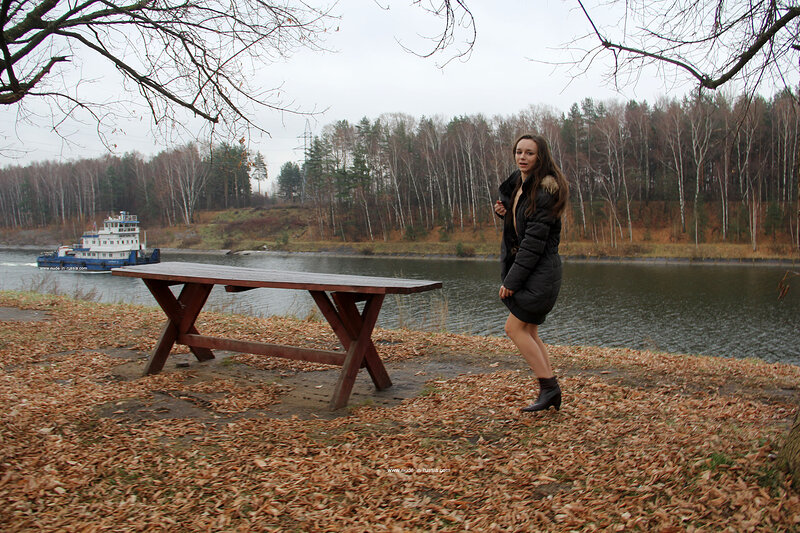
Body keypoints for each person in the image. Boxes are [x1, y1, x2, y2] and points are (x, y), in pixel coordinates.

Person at [494, 134, 569, 412]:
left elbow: (533, 245)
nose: (522, 157)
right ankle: (551, 390)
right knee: (529, 330)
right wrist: (505, 213)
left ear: (541, 157)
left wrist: (511, 282)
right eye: (519, 152)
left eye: (530, 153)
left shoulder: (544, 192)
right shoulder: (522, 185)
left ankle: (549, 388)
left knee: (514, 328)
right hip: (535, 272)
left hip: (541, 274)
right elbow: (523, 226)